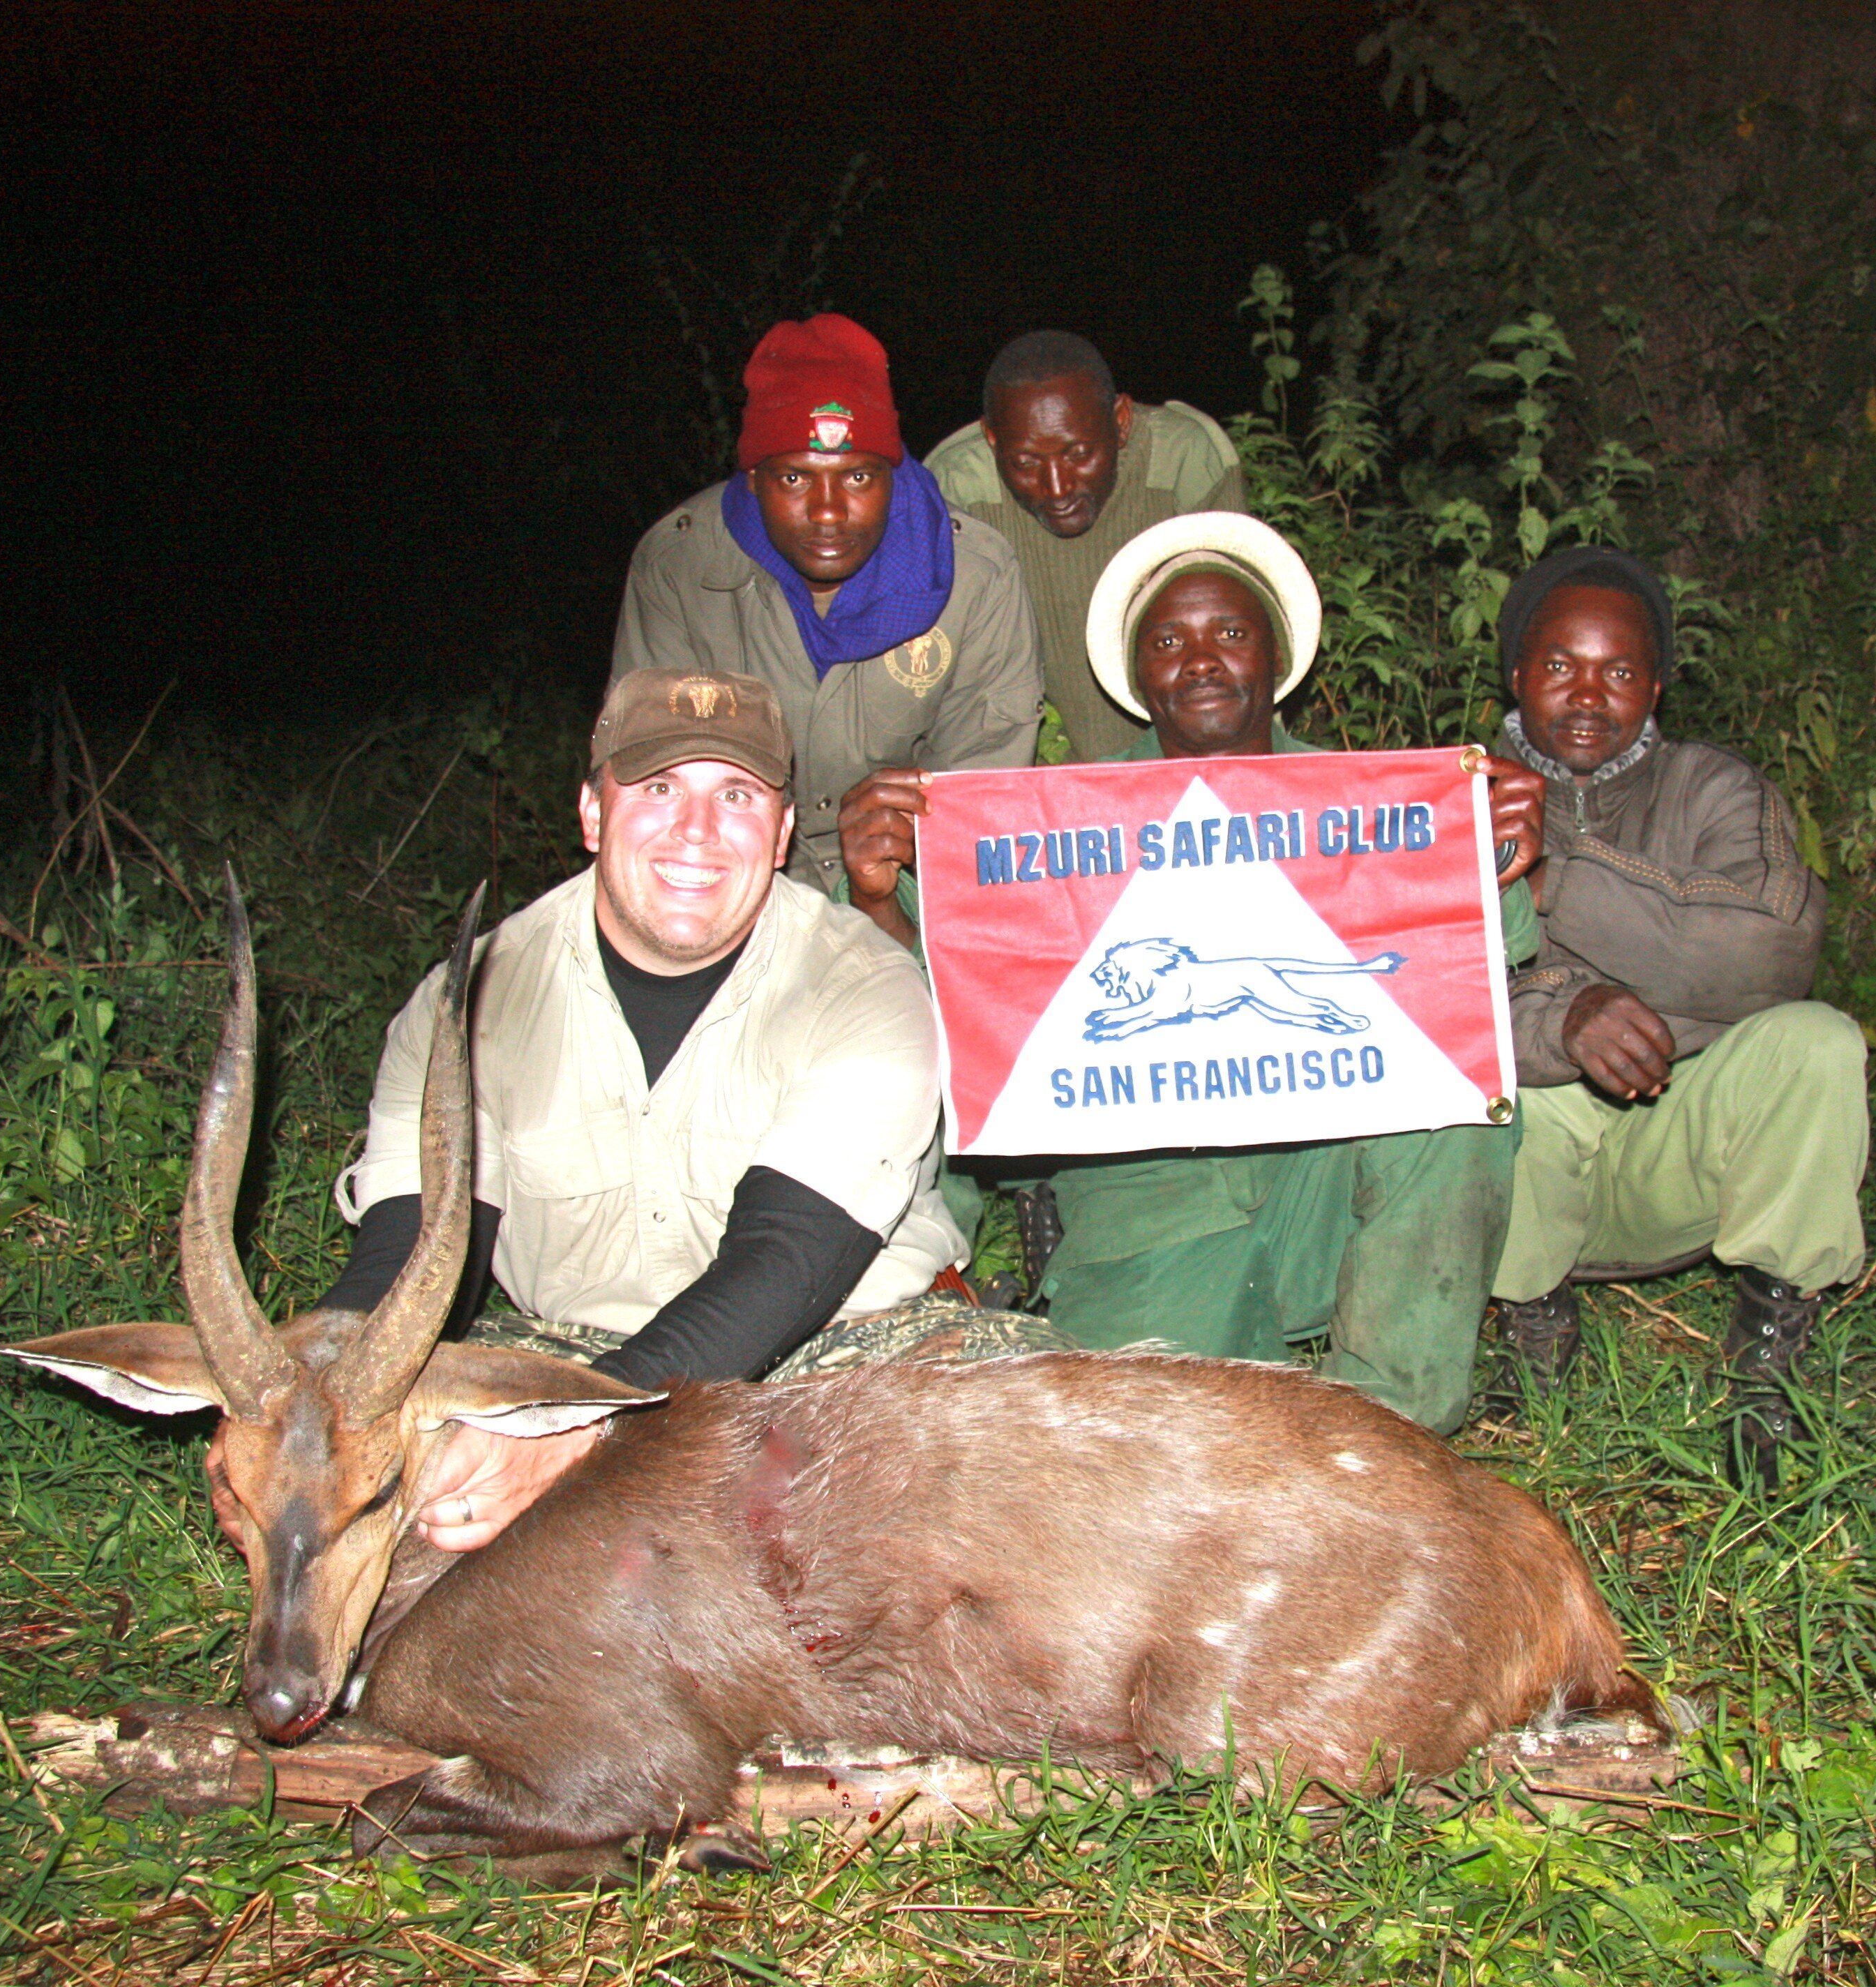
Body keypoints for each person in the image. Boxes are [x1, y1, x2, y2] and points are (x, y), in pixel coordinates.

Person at [223, 670, 1049, 1559]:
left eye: (735, 795)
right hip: (564, 1349)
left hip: (834, 1346)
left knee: (1043, 1471)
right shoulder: (467, 1003)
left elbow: (790, 1256)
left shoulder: (867, 985)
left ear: (778, 835)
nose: (695, 830)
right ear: (592, 813)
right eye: (657, 788)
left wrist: (577, 1432)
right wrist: (293, 1407)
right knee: (391, 1514)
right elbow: (414, 1254)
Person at [840, 513, 1547, 1433]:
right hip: (1154, 1211)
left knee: (1465, 1105)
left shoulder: (1374, 804)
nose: (1201, 660)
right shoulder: (1055, 833)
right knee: (1171, 1474)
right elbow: (943, 1023)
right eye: (1168, 641)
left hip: (1326, 1187)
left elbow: (1471, 979)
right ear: (1139, 679)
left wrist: (1493, 850)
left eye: (1230, 633)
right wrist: (876, 898)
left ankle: (1398, 1432)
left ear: (1278, 657)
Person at [1484, 545, 1868, 1485]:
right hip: (1527, 1172)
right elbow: (1415, 988)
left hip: (1681, 1147)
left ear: (1654, 687)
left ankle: (1768, 1359)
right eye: (1561, 665)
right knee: (1491, 1074)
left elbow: (1770, 950)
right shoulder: (1453, 794)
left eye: (1618, 671)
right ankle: (1534, 1327)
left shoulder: (1717, 789)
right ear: (1518, 674)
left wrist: (1556, 874)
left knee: (1819, 1043)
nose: (1587, 693)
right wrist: (1567, 1013)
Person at [608, 315, 1040, 892]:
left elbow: (983, 801)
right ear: (756, 477)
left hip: (911, 892)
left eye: (859, 477)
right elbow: (648, 779)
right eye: (795, 480)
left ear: (894, 472)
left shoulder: (977, 576)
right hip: (731, 884)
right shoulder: (680, 568)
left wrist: (902, 864)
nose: (829, 511)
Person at [927, 330, 1247, 765]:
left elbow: (1242, 650)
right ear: (991, 438)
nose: (1057, 488)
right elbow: (959, 688)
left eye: (1079, 454)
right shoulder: (957, 487)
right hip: (1033, 761)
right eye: (1025, 463)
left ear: (1121, 422)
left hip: (1182, 750)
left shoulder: (1184, 461)